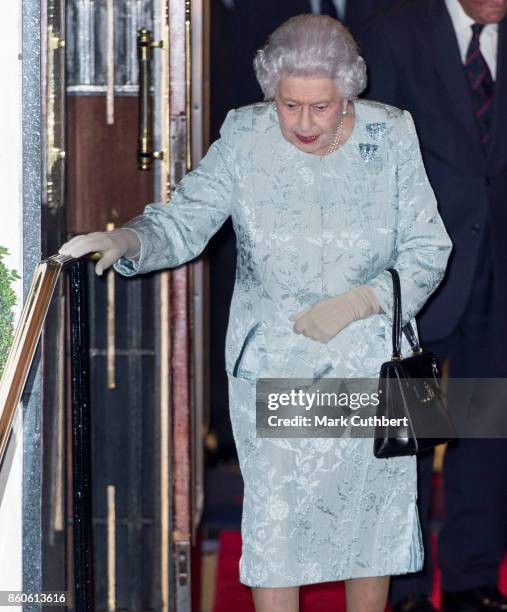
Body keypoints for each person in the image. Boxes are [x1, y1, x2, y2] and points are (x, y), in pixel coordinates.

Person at [60, 15, 452, 612]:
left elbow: (430, 248)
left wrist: (359, 302)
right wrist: (129, 241)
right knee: (277, 529)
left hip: (369, 361)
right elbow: (186, 218)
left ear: (348, 91)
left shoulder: (391, 133)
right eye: (289, 105)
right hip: (277, 364)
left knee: (370, 529)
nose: (302, 123)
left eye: (321, 108)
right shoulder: (245, 136)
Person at [360, 1, 507, 612]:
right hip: (419, 271)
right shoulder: (397, 29)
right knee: (412, 433)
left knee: (489, 430)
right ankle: (407, 587)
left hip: (499, 269)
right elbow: (367, 152)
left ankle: (473, 581)